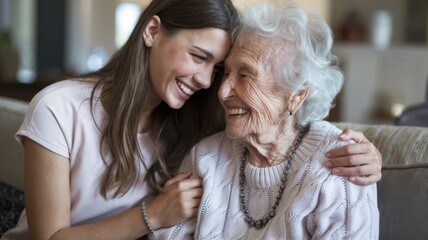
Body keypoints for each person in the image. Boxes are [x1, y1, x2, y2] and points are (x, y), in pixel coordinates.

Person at [1, 0, 380, 239]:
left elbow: (288, 133)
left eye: (220, 70)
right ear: (152, 31)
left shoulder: (204, 122)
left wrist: (369, 155)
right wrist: (153, 215)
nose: (211, 84)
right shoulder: (58, 107)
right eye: (199, 57)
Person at [154, 1, 379, 239]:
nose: (222, 91)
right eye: (227, 73)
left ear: (296, 96)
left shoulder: (342, 166)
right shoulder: (206, 158)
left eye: (245, 75)